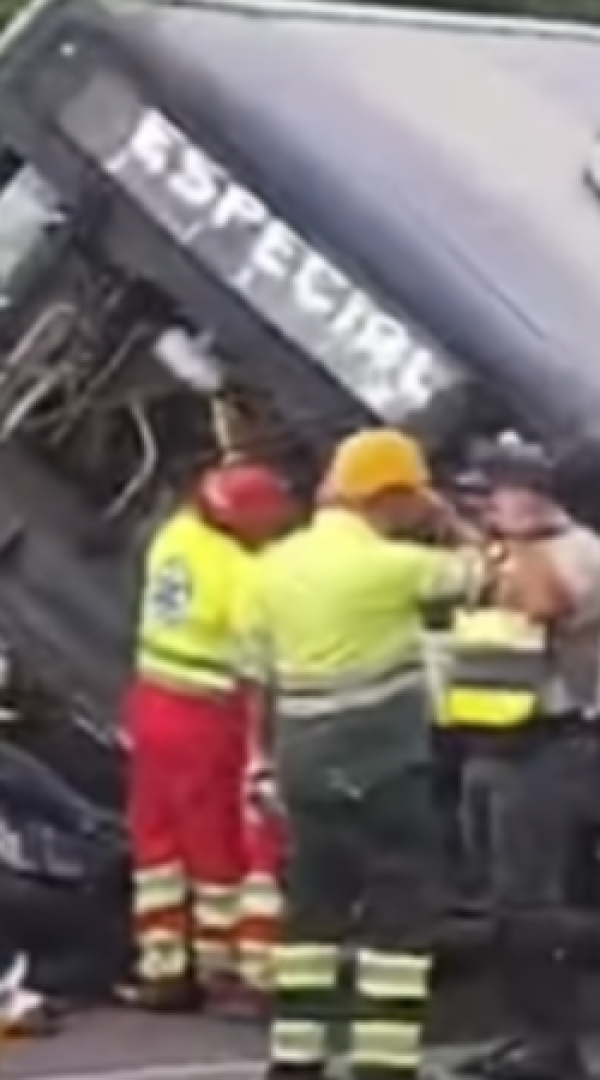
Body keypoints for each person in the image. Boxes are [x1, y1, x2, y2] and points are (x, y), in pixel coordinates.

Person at [235, 428, 554, 1080]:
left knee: (314, 913)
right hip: (380, 764)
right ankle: (382, 1064)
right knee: (402, 913)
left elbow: (257, 681)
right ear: (391, 495)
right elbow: (512, 586)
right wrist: (457, 522)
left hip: (302, 762)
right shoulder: (394, 568)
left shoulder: (270, 568)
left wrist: (260, 760)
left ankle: (295, 1061)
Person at [444, 437, 600, 1080]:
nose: (483, 503)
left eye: (495, 491)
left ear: (534, 494)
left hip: (550, 745)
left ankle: (551, 1046)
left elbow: (544, 605)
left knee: (530, 907)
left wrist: (523, 536)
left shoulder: (578, 551)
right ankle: (525, 1035)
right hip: (489, 742)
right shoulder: (500, 548)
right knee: (502, 906)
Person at [124, 460, 296, 1012]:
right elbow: (267, 658)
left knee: (158, 841)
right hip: (212, 716)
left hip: (151, 703)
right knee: (222, 842)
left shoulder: (174, 536)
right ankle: (224, 965)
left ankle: (162, 964)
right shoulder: (246, 576)